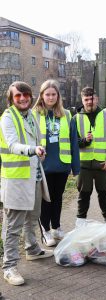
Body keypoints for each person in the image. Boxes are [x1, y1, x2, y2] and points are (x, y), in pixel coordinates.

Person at [0, 81, 53, 286]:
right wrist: (33, 150)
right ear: (11, 99)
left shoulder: (31, 115)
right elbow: (13, 145)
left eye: (26, 95)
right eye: (17, 96)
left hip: (34, 176)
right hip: (15, 179)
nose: (22, 99)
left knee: (33, 217)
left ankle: (32, 249)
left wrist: (39, 150)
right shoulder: (7, 118)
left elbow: (36, 140)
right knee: (12, 226)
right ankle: (9, 267)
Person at [32, 80, 80, 246]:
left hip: (62, 164)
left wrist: (75, 167)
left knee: (58, 197)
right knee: (46, 199)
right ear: (42, 96)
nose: (50, 97)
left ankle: (56, 227)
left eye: (53, 94)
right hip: (43, 164)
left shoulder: (67, 114)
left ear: (58, 96)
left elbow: (73, 141)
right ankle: (45, 231)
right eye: (47, 94)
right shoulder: (34, 114)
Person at [74, 87, 106, 226]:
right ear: (82, 100)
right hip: (83, 165)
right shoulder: (76, 118)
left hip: (102, 164)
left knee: (104, 193)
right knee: (83, 194)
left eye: (92, 99)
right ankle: (80, 221)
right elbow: (73, 142)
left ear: (97, 99)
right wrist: (84, 141)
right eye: (86, 99)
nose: (89, 102)